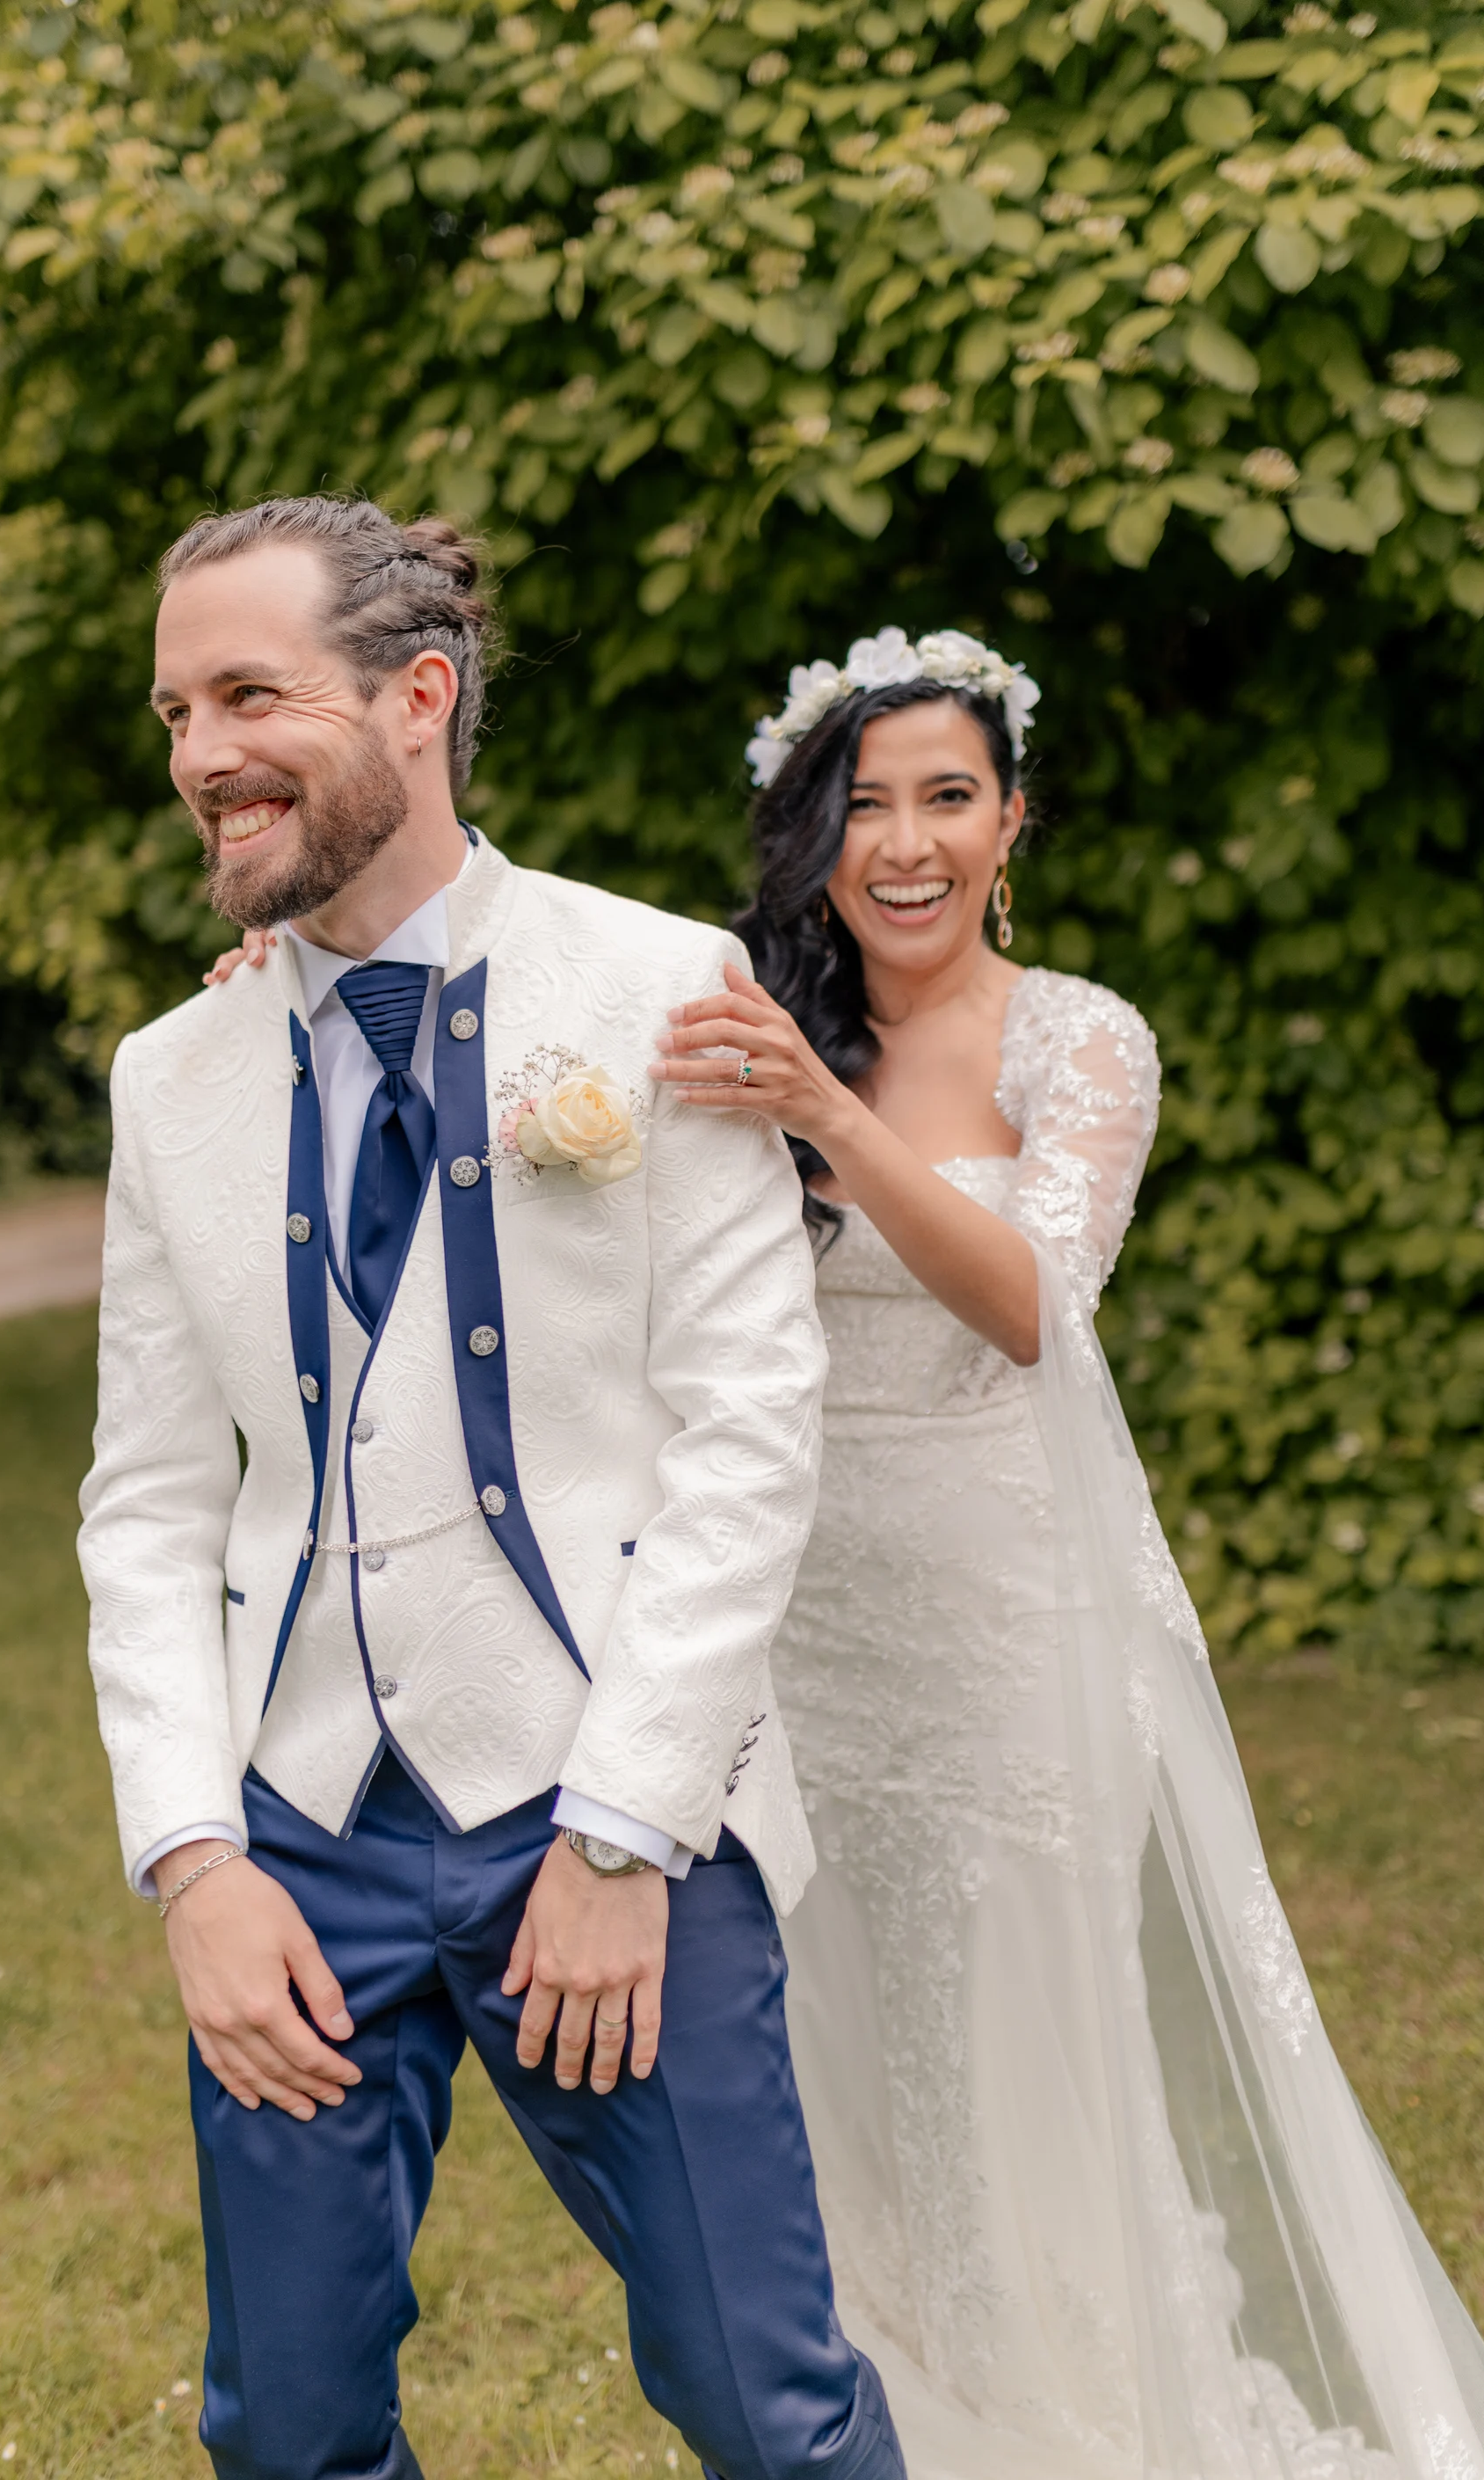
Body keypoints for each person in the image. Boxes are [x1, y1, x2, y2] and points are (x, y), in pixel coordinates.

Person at [76, 497, 906, 2480]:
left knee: (761, 2407)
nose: (201, 752)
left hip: (610, 1786)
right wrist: (195, 1860)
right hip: (302, 1828)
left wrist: (625, 1839)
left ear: (418, 697)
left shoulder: (657, 990)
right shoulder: (169, 1080)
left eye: (250, 694)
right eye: (177, 709)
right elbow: (146, 1503)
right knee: (281, 2428)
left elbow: (740, 1440)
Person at [642, 627, 1484, 2480]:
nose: (904, 843)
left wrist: (830, 1119)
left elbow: (1038, 1305)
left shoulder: (1080, 1036)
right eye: (858, 806)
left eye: (945, 797)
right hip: (791, 1626)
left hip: (998, 1626)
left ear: (1009, 820)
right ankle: (881, 2423)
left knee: (1021, 2060)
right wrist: (284, 971)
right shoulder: (745, 1011)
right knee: (832, 2065)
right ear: (808, 836)